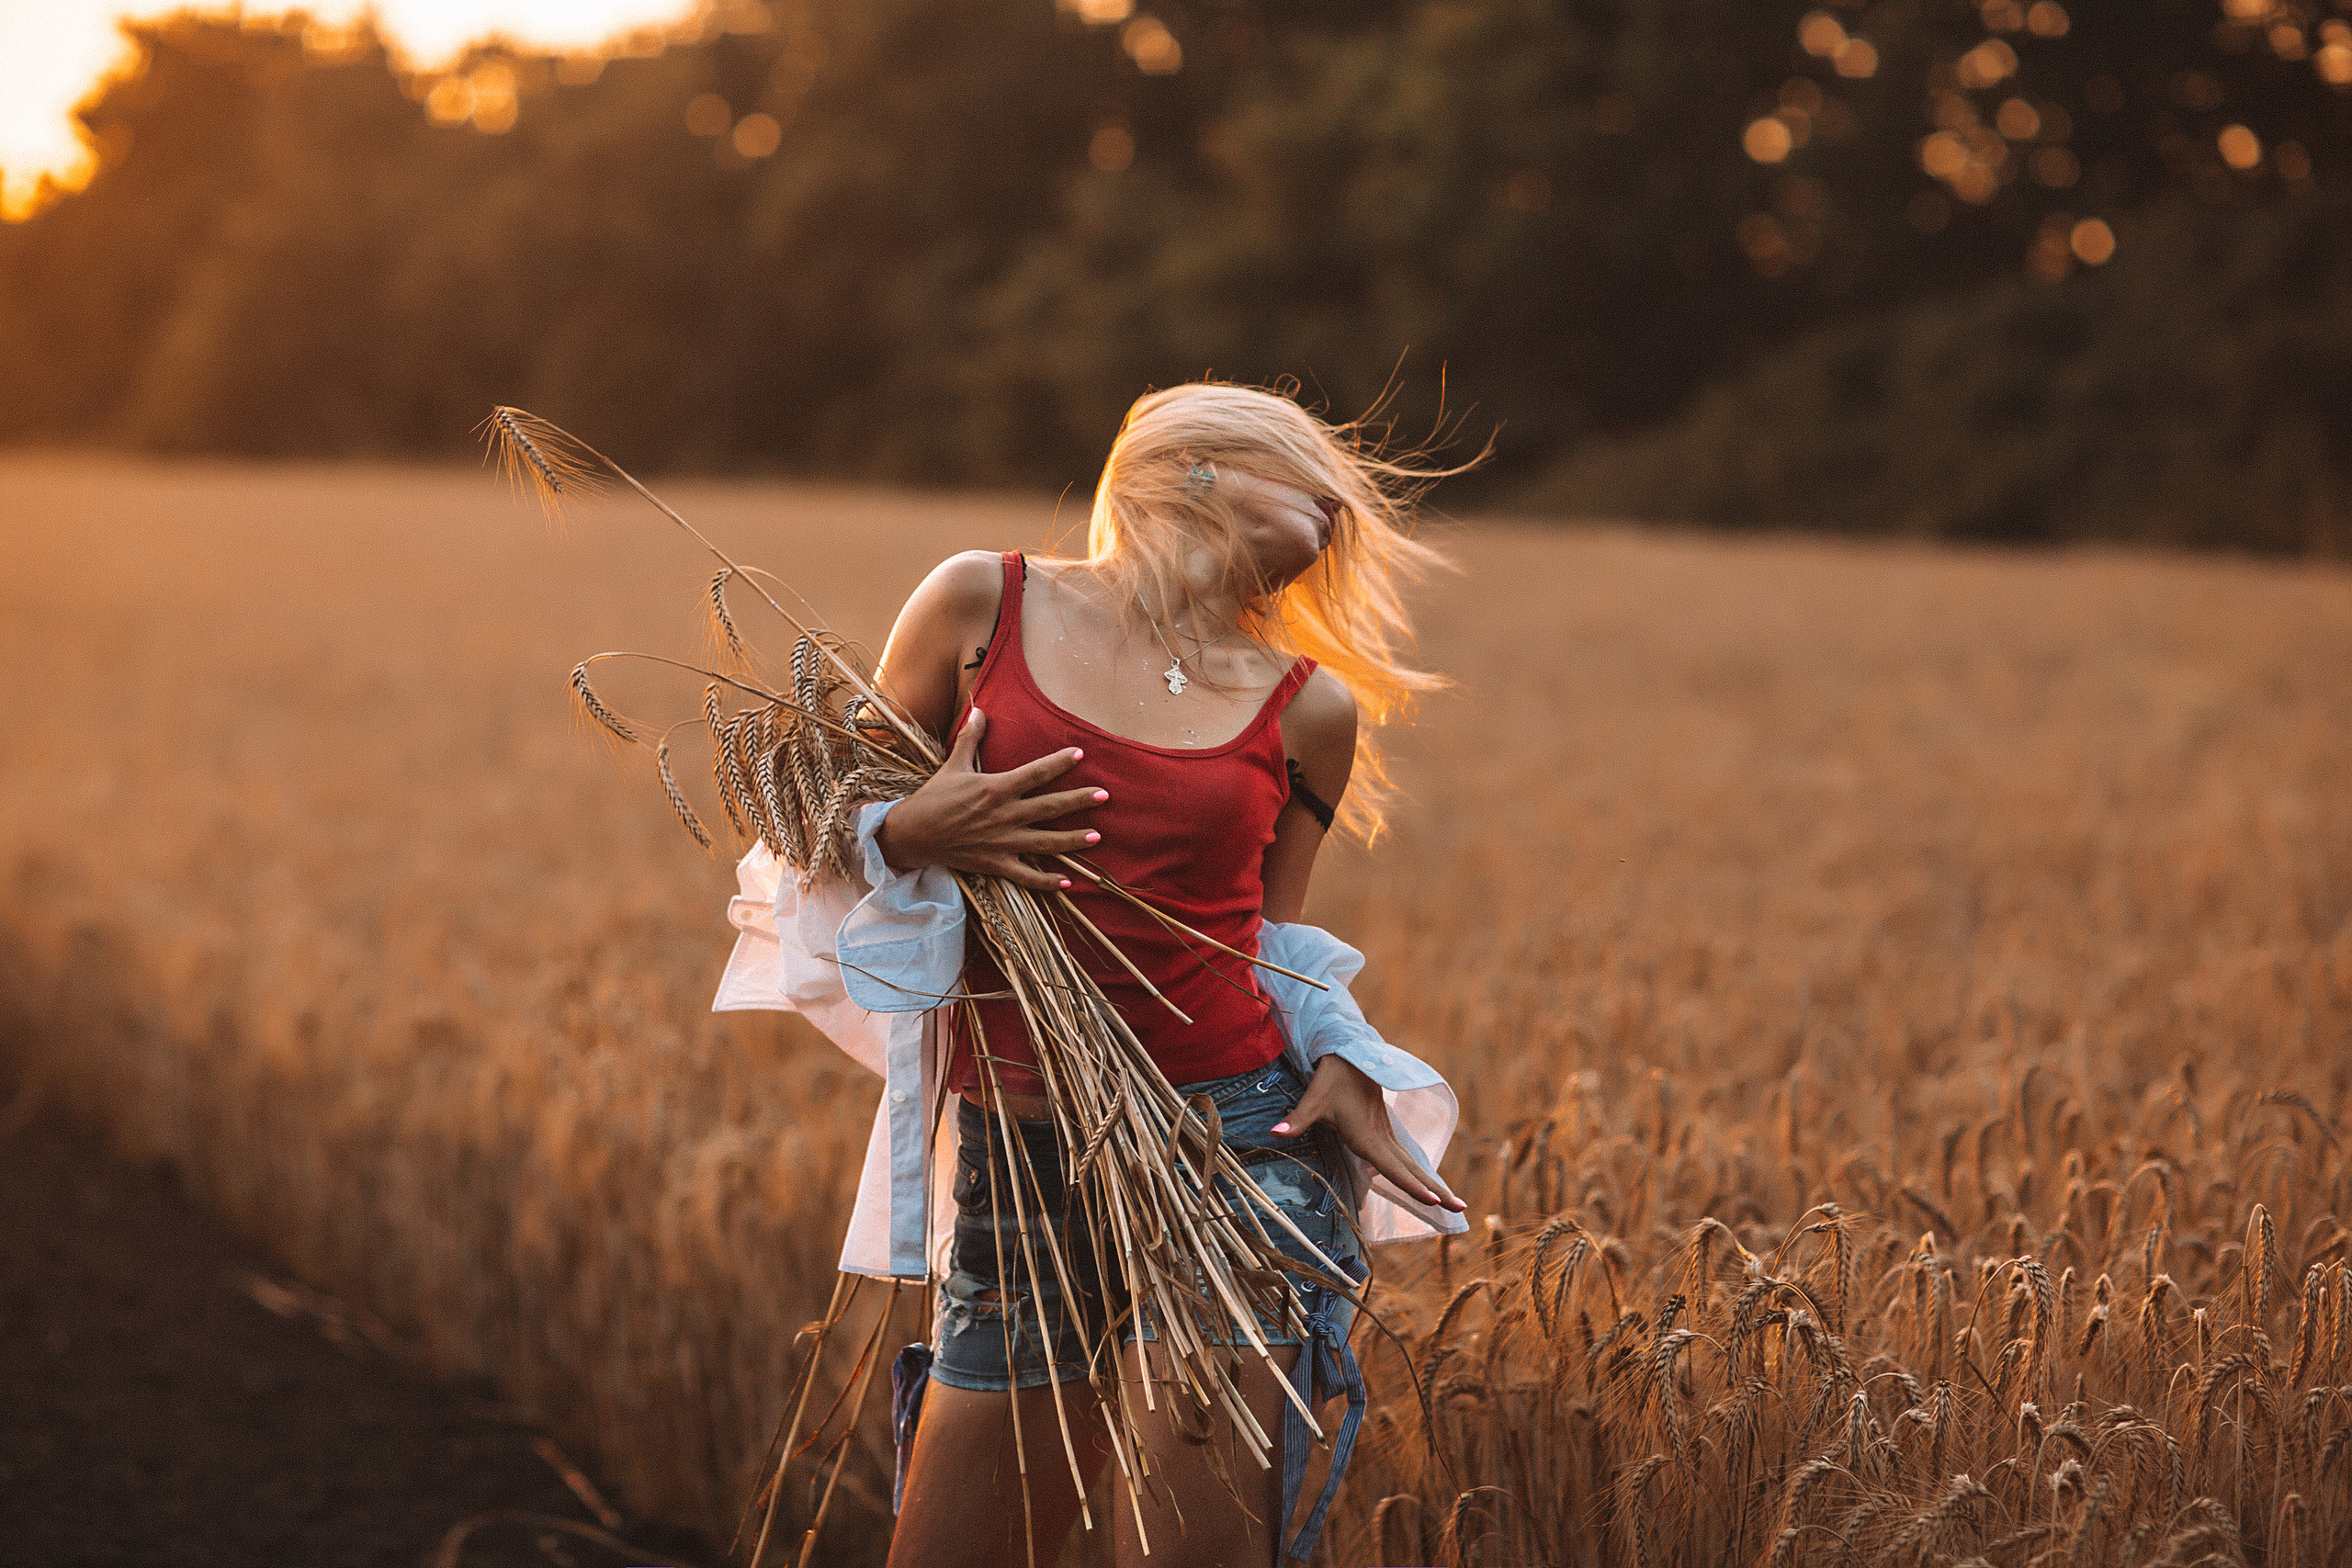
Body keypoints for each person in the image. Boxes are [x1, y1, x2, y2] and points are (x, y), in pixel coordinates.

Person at [712, 380, 1475, 1567]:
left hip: (1236, 1148)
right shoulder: (982, 602)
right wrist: (911, 831)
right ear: (1198, 467)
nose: (1339, 513)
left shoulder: (1309, 707)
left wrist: (1344, 1052)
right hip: (1018, 1161)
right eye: (1310, 479)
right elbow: (813, 825)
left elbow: (1267, 942)